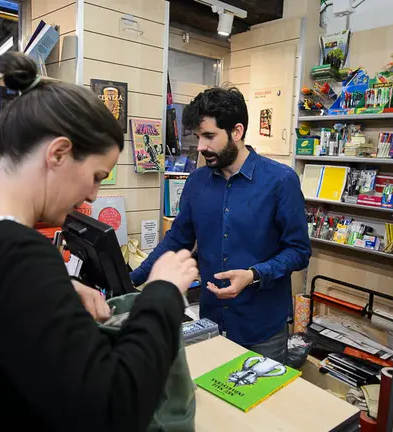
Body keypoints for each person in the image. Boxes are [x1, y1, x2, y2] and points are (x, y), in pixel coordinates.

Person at [0, 52, 198, 431]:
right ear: (58, 153)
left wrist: (54, 292)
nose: (94, 195)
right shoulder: (17, 256)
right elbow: (114, 408)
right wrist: (163, 293)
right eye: (96, 176)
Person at [130, 87, 311, 362]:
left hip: (262, 328)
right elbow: (176, 240)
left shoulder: (280, 181)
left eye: (209, 136)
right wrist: (130, 280)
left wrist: (253, 274)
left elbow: (299, 251)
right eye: (198, 137)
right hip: (211, 322)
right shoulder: (196, 182)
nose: (200, 147)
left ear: (237, 131)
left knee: (262, 392)